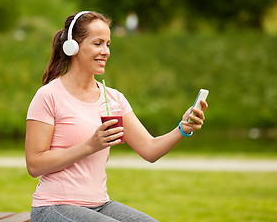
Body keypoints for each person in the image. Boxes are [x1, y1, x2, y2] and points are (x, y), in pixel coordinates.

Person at [25, 11, 208, 222]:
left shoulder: (112, 98)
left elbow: (149, 149)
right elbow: (34, 164)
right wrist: (90, 145)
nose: (105, 52)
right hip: (53, 206)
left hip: (100, 205)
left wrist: (182, 129)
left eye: (108, 44)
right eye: (98, 43)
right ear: (73, 46)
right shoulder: (49, 96)